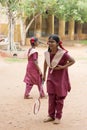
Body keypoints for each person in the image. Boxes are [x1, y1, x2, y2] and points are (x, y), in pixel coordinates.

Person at [43, 34, 75, 124]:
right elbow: (45, 63)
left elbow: (73, 61)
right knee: (51, 96)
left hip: (61, 78)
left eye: (52, 42)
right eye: (49, 41)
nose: (50, 43)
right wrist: (44, 74)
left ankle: (58, 117)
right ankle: (51, 115)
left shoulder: (63, 53)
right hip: (51, 77)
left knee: (59, 97)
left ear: (57, 43)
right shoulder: (47, 53)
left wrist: (63, 67)